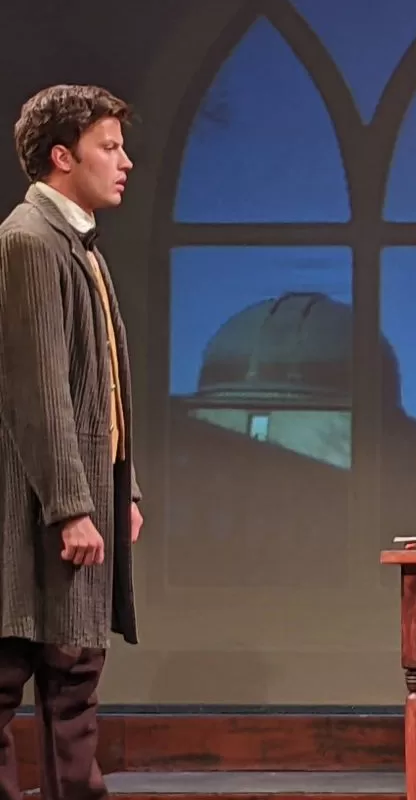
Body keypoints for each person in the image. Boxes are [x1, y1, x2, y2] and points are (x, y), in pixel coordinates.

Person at [0, 85, 142, 800]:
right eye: (108, 148)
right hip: (36, 510)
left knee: (75, 677)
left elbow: (103, 384)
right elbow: (39, 389)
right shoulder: (29, 241)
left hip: (83, 496)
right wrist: (70, 507)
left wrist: (124, 489)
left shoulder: (79, 245)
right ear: (63, 157)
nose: (125, 162)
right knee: (14, 666)